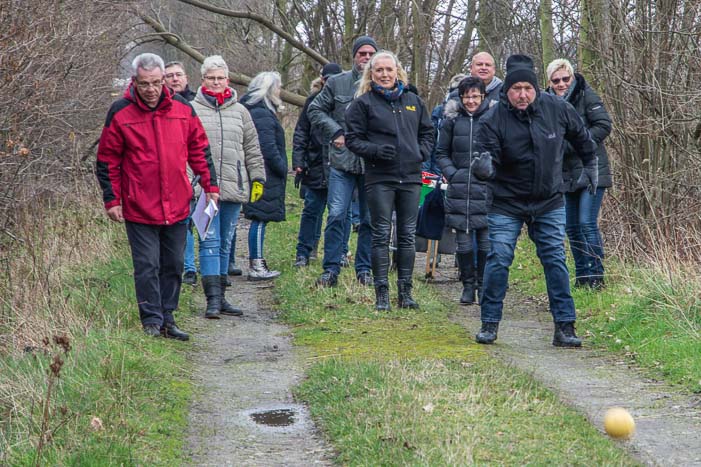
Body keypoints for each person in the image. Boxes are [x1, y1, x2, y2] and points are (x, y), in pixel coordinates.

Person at [471, 54, 598, 347]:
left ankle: (565, 326)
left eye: (528, 88)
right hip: (506, 201)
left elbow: (582, 138)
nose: (522, 95)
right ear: (507, 91)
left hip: (548, 199)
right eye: (516, 89)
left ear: (536, 89)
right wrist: (483, 167)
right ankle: (489, 323)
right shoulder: (492, 119)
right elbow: (484, 157)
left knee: (555, 259)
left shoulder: (557, 109)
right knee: (499, 257)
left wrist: (590, 166)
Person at [96, 52, 219, 340]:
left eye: (155, 83)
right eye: (144, 84)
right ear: (134, 82)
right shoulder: (120, 112)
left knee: (173, 264)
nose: (150, 89)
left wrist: (211, 186)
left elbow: (200, 149)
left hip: (177, 201)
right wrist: (112, 200)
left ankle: (168, 317)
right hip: (139, 205)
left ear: (164, 80)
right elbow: (107, 159)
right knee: (147, 265)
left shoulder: (182, 108)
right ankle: (151, 320)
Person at [345, 50, 434, 310]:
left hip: (411, 177)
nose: (385, 74)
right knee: (381, 234)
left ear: (397, 72)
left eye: (389, 69)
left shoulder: (413, 101)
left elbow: (428, 132)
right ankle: (382, 293)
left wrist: (420, 152)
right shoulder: (363, 104)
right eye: (379, 70)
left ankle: (405, 293)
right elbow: (352, 139)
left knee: (407, 235)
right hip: (380, 178)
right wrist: (374, 151)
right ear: (371, 73)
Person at [191, 55, 266, 318]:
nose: (216, 82)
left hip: (234, 185)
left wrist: (258, 177)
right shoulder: (191, 110)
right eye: (211, 78)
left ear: (228, 80)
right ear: (203, 80)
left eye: (220, 78)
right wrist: (190, 181)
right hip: (204, 189)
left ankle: (222, 296)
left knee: (225, 241)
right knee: (209, 241)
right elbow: (182, 149)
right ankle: (212, 300)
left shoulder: (241, 111)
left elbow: (252, 147)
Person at [308, 35, 378, 287]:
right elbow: (315, 109)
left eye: (371, 54)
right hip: (342, 162)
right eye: (362, 53)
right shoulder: (337, 83)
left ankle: (364, 270)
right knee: (337, 214)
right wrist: (335, 131)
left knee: (369, 219)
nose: (366, 58)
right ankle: (331, 268)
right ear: (354, 56)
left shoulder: (382, 84)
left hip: (372, 164)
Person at [546, 58, 612, 290]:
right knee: (571, 226)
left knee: (586, 223)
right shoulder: (545, 103)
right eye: (556, 80)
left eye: (565, 79)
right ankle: (582, 276)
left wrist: (578, 143)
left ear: (572, 77)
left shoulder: (587, 95)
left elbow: (603, 125)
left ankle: (597, 275)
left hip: (591, 170)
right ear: (550, 82)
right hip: (564, 174)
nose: (561, 84)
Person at [435, 77, 491, 305]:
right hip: (459, 189)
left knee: (486, 242)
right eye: (466, 96)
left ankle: (483, 285)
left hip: (486, 188)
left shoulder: (493, 118)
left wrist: (491, 171)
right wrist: (453, 173)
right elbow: (441, 153)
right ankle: (468, 286)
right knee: (464, 241)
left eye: (475, 96)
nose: (471, 101)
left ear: (483, 96)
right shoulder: (451, 120)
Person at [292, 63, 343, 267]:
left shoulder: (345, 102)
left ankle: (340, 252)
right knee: (311, 210)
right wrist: (298, 161)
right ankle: (304, 252)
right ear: (322, 80)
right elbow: (301, 132)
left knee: (340, 213)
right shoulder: (312, 101)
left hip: (339, 165)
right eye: (327, 79)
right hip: (314, 164)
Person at [241, 72, 287, 280]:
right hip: (265, 174)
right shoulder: (262, 115)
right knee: (260, 219)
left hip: (260, 171)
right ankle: (257, 264)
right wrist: (282, 168)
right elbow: (268, 147)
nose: (280, 91)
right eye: (278, 87)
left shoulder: (253, 110)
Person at [164, 61, 199, 286]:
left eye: (178, 74)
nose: (175, 79)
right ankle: (188, 268)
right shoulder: (160, 107)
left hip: (199, 172)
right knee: (183, 223)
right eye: (170, 76)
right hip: (176, 176)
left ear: (186, 77)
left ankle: (215, 269)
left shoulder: (197, 104)